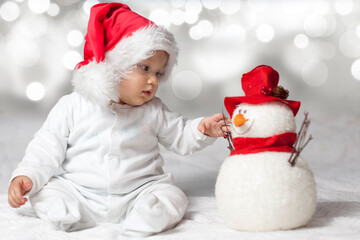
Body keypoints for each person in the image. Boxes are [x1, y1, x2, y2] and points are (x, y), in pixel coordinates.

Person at [7, 2, 230, 237]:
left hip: (140, 191)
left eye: (158, 73)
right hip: (80, 192)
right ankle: (67, 214)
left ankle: (145, 217)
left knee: (173, 196)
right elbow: (46, 147)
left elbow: (180, 135)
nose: (153, 81)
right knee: (45, 190)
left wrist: (201, 129)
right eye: (145, 68)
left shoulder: (153, 110)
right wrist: (26, 175)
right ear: (113, 66)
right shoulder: (72, 105)